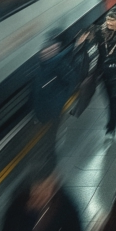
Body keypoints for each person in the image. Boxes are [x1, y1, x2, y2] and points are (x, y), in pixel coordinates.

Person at [32, 32, 79, 168]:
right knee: (45, 137)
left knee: (50, 137)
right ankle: (47, 157)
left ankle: (51, 161)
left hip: (53, 110)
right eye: (45, 50)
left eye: (51, 50)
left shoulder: (60, 65)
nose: (47, 52)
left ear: (56, 50)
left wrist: (61, 99)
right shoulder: (41, 66)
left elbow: (72, 81)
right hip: (42, 110)